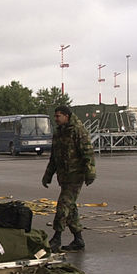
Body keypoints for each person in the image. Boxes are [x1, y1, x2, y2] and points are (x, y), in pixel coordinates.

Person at [41, 105, 96, 252]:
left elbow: (88, 154)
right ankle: (78, 239)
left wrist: (90, 173)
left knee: (63, 205)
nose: (56, 119)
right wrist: (48, 175)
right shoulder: (59, 133)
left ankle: (57, 237)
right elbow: (54, 157)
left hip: (75, 176)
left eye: (58, 116)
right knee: (70, 209)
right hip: (64, 176)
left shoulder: (77, 131)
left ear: (66, 116)